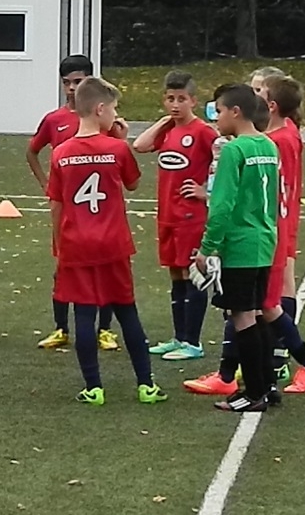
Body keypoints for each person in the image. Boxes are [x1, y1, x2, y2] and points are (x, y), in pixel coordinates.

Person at [48, 77, 167, 406]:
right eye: (113, 108)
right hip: (113, 243)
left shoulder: (61, 153)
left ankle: (94, 387)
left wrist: (59, 244)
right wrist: (121, 141)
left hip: (76, 243)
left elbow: (56, 204)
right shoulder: (116, 148)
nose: (116, 115)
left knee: (84, 315)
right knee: (127, 312)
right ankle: (146, 385)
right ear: (100, 109)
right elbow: (133, 184)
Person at [27, 54, 126, 351]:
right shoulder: (54, 119)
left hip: (100, 210)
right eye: (66, 82)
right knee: (63, 265)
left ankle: (104, 329)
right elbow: (32, 151)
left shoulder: (103, 117)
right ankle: (61, 328)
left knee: (103, 270)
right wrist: (47, 185)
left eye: (78, 81)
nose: (71, 88)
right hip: (67, 211)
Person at [192, 84, 279, 412]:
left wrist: (207, 247)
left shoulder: (234, 150)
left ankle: (253, 393)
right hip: (264, 238)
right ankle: (268, 386)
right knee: (256, 313)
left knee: (242, 316)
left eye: (219, 111)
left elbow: (223, 203)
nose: (216, 118)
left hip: (241, 243)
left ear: (235, 112)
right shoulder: (268, 144)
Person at [133, 72, 218, 361]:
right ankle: (178, 337)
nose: (175, 104)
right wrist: (164, 121)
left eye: (182, 99)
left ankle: (192, 342)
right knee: (175, 274)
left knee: (191, 273)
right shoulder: (168, 129)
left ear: (193, 100)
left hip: (190, 216)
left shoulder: (203, 132)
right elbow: (139, 145)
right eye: (170, 99)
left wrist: (206, 191)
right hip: (167, 214)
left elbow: (225, 162)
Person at [260, 74, 305, 393]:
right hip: (275, 222)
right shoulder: (278, 134)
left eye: (259, 91)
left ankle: (295, 360)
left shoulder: (281, 139)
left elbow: (278, 187)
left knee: (270, 296)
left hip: (275, 223)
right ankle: (268, 360)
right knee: (265, 298)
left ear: (272, 104)